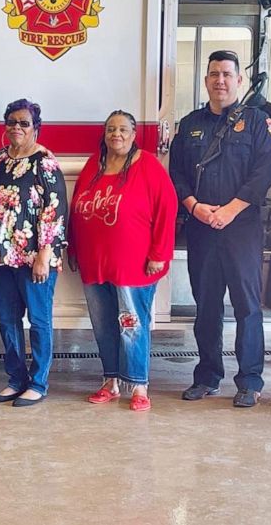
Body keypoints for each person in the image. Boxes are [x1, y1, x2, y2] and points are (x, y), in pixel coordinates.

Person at [169, 50, 271, 408]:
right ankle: (208, 376)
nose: (220, 81)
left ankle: (249, 379)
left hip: (241, 227)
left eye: (227, 74)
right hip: (202, 227)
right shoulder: (190, 124)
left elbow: (263, 173)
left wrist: (230, 211)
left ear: (239, 81)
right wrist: (195, 208)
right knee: (207, 304)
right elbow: (178, 175)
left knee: (247, 305)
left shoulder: (258, 122)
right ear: (206, 80)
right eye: (214, 74)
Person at [68, 110, 178, 412]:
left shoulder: (149, 167)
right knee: (104, 326)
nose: (116, 134)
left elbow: (167, 210)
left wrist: (159, 254)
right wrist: (74, 249)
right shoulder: (95, 164)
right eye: (111, 129)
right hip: (95, 263)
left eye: (123, 130)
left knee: (132, 325)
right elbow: (76, 208)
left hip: (134, 266)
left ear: (133, 135)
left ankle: (139, 384)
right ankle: (111, 381)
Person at [0, 99, 68, 407]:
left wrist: (44, 254)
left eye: (24, 123)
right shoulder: (0, 159)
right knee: (6, 318)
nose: (17, 127)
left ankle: (39, 382)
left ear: (35, 128)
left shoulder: (45, 162)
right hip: (1, 257)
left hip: (34, 259)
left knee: (39, 320)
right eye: (12, 122)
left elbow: (54, 212)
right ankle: (16, 379)